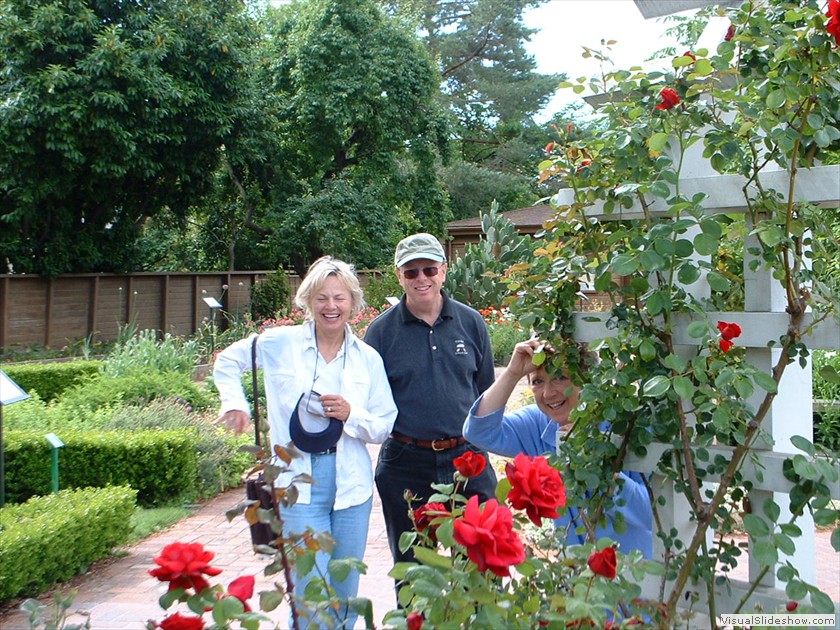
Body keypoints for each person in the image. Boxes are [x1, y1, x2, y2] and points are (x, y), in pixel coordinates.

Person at [214, 256, 398, 629]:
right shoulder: (279, 344)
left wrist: (350, 415)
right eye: (321, 298)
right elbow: (227, 362)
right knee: (311, 592)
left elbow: (384, 425)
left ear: (353, 304)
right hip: (296, 483)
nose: (331, 307)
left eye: (340, 298)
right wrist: (235, 403)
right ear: (307, 302)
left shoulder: (367, 359)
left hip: (351, 486)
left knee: (345, 590)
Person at [364, 233, 498, 571]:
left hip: (467, 460)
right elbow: (371, 400)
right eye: (411, 272)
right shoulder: (380, 333)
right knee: (413, 570)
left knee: (482, 561)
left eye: (429, 269)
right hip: (405, 464)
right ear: (399, 276)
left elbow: (485, 391)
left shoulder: (471, 322)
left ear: (443, 270)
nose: (421, 278)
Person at [463, 338, 653, 558]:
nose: (547, 393)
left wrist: (596, 467)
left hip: (635, 574)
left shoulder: (629, 426)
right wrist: (513, 373)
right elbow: (478, 431)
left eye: (560, 377)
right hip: (575, 576)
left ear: (590, 380)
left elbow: (649, 515)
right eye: (537, 381)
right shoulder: (539, 424)